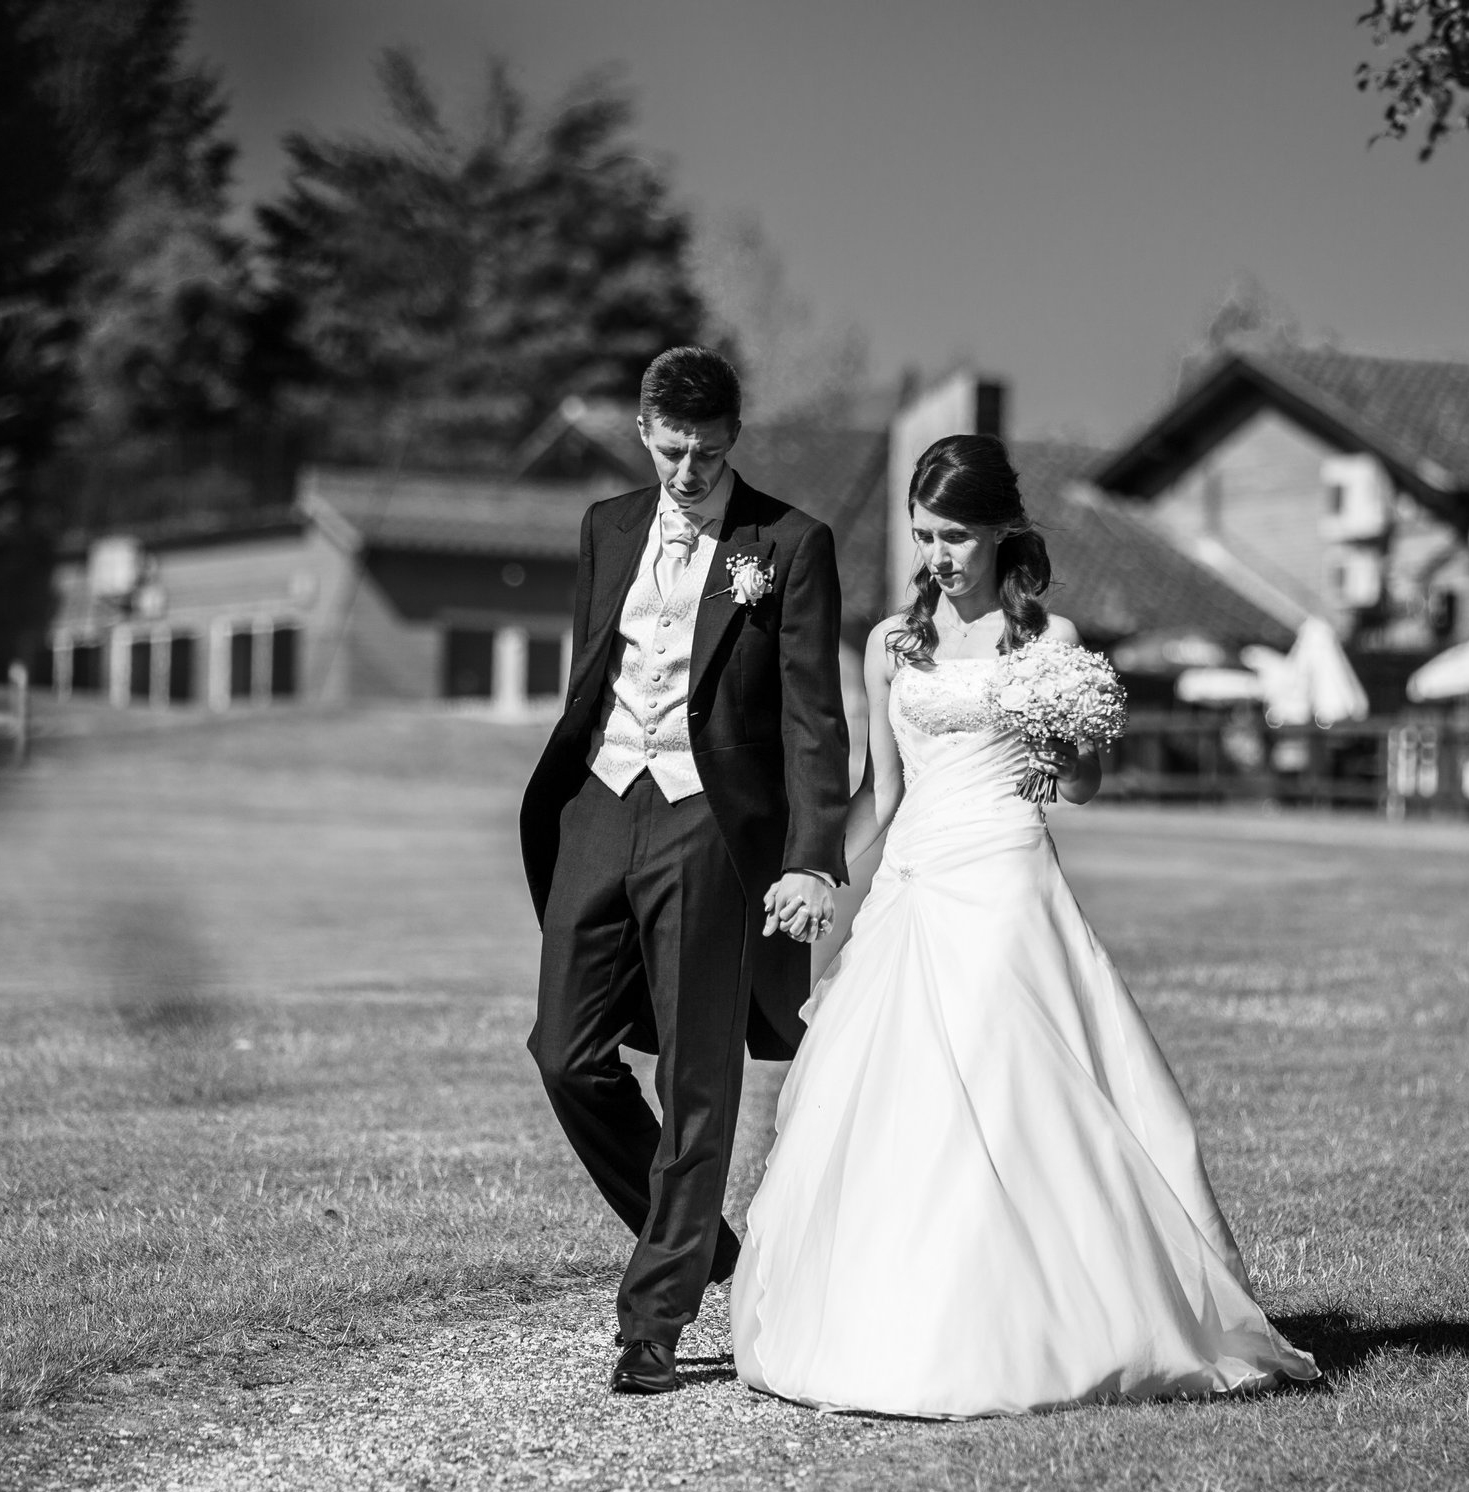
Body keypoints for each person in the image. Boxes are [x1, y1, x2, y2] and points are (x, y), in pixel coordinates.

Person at [730, 434, 1318, 1417]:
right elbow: (880, 790)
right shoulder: (890, 644)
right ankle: (901, 1320)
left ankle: (1039, 1323)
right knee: (897, 1103)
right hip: (914, 884)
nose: (939, 555)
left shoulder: (1048, 643)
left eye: (956, 534)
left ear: (1004, 529)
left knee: (1000, 1093)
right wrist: (818, 873)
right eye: (925, 535)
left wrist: (1067, 757)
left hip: (1004, 878)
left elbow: (1080, 782)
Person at [520, 346, 851, 1395]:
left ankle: (653, 1317)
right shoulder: (606, 528)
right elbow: (594, 672)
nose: (689, 470)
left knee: (697, 1076)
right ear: (643, 434)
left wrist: (809, 858)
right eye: (671, 450)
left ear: (733, 437)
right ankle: (706, 1246)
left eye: (708, 451)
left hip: (711, 821)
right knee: (566, 1052)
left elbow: (811, 714)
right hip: (600, 802)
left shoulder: (789, 545)